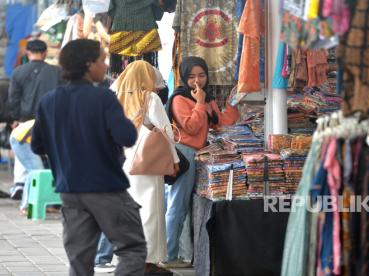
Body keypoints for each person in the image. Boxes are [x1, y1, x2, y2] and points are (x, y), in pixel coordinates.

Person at [30, 39, 147, 276]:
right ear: (88, 65)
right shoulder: (103, 98)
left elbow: (37, 146)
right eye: (101, 60)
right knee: (132, 249)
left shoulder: (49, 101)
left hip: (70, 190)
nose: (105, 66)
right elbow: (126, 136)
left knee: (80, 260)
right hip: (106, 188)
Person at [163, 56, 239, 267]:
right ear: (183, 77)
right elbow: (191, 127)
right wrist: (199, 102)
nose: (197, 81)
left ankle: (182, 254)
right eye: (191, 77)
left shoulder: (207, 98)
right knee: (177, 205)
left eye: (201, 75)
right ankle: (168, 255)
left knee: (185, 206)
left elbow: (220, 124)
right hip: (184, 154)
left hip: (198, 155)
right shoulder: (179, 98)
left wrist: (234, 103)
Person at [115, 60, 178, 275]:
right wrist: (175, 160)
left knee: (129, 213)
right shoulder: (149, 98)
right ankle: (148, 262)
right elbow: (166, 131)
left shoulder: (115, 97)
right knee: (151, 212)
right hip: (147, 163)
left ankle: (130, 259)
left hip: (123, 162)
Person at [7, 39, 61, 199]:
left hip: (25, 120)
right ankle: (51, 186)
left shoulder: (18, 72)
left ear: (27, 53)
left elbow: (13, 98)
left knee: (24, 153)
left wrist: (14, 118)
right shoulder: (56, 71)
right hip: (50, 120)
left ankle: (20, 184)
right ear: (45, 53)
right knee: (51, 153)